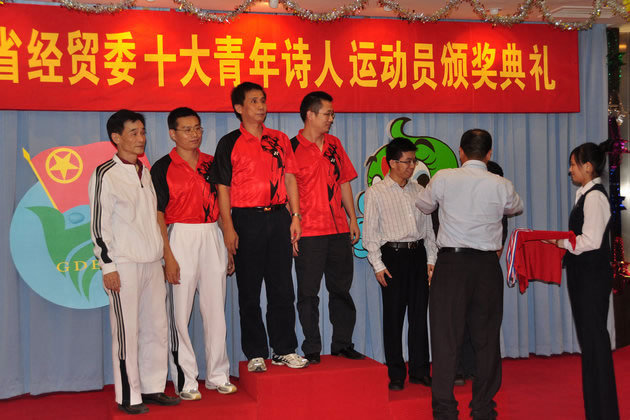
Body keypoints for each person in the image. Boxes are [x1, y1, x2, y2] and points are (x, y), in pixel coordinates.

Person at [416, 129, 523, 419]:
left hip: (452, 265)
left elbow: (423, 204)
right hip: (487, 267)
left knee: (445, 338)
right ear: (489, 154)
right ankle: (483, 408)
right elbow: (516, 207)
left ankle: (445, 411)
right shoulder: (501, 183)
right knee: (486, 340)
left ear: (461, 152)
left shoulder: (444, 178)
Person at [210, 82, 308, 372]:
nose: (261, 106)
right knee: (249, 289)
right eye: (254, 101)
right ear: (239, 108)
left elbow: (290, 178)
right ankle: (255, 352)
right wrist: (228, 227)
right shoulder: (229, 143)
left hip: (278, 217)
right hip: (246, 219)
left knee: (282, 287)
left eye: (263, 100)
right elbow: (223, 188)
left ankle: (284, 349)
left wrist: (296, 215)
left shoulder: (279, 139)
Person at [89, 110, 180, 415]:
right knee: (127, 332)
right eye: (133, 133)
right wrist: (108, 266)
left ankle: (153, 387)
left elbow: (153, 220)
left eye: (143, 132)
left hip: (151, 262)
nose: (141, 138)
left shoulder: (145, 172)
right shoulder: (105, 173)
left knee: (156, 327)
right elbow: (99, 225)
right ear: (116, 137)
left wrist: (163, 256)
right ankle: (129, 395)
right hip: (124, 264)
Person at [151, 107, 236, 401]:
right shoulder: (162, 167)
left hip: (212, 233)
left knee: (216, 310)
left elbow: (224, 205)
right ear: (172, 134)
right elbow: (158, 214)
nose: (194, 134)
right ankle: (185, 380)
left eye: (198, 128)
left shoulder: (213, 164)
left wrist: (227, 242)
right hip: (180, 236)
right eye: (187, 129)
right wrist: (168, 255)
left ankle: (218, 375)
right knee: (179, 314)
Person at [547, 142, 619, 420]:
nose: (570, 170)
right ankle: (597, 410)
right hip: (583, 276)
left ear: (588, 167)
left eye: (573, 164)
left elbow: (590, 241)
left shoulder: (595, 198)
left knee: (595, 344)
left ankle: (604, 411)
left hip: (592, 278)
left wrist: (560, 242)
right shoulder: (586, 195)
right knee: (590, 344)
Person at [290, 91, 364, 364]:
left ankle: (342, 344)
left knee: (341, 290)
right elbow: (287, 191)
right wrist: (293, 223)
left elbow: (344, 182)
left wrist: (352, 218)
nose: (331, 119)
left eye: (332, 114)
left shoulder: (334, 144)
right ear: (310, 115)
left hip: (338, 230)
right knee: (308, 294)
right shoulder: (291, 148)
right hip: (309, 232)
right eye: (327, 114)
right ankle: (311, 347)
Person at [363, 137, 437, 391]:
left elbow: (429, 230)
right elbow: (370, 234)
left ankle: (419, 370)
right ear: (392, 163)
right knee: (393, 318)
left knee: (419, 316)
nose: (412, 166)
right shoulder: (376, 192)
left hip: (418, 255)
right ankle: (396, 373)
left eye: (414, 161)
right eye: (407, 161)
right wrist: (377, 265)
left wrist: (431, 259)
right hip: (392, 257)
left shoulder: (419, 191)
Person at [454, 161, 508, 386]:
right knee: (458, 320)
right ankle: (458, 369)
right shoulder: (461, 203)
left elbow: (499, 244)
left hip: (486, 270)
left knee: (482, 322)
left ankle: (478, 368)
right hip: (460, 269)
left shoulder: (499, 210)